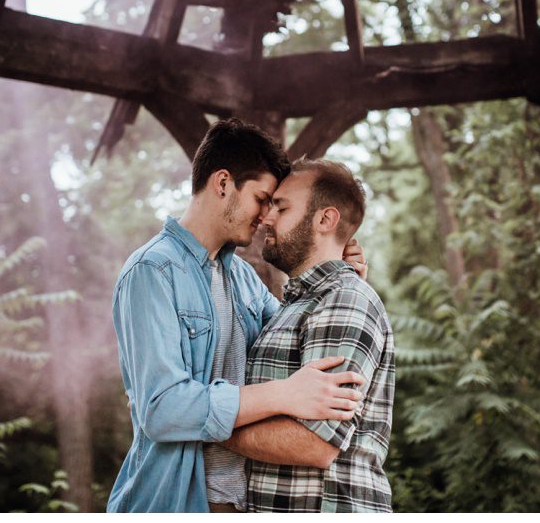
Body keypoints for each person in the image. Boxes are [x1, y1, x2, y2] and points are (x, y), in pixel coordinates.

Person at [108, 119, 369, 513]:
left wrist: (342, 280)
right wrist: (282, 394)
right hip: (176, 501)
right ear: (223, 184)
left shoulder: (242, 278)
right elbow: (161, 410)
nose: (266, 216)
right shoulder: (151, 271)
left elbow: (290, 342)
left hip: (243, 503)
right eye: (262, 198)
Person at [224, 157, 394, 513]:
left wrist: (197, 424)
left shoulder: (344, 300)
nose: (266, 218)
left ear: (325, 220)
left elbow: (314, 444)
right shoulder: (298, 306)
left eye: (281, 208)